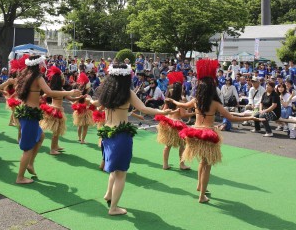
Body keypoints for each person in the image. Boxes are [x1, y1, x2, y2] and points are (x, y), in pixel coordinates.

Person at [173, 59, 262, 203]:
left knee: (202, 162)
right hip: (208, 135)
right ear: (212, 89)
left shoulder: (195, 101)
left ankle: (199, 186)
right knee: (207, 165)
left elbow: (182, 104)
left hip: (194, 133)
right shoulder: (215, 104)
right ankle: (202, 196)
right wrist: (251, 117)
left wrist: (173, 101)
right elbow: (231, 117)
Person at [94, 64, 172, 215]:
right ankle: (113, 208)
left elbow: (97, 106)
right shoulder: (127, 93)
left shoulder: (107, 91)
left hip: (107, 135)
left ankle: (108, 195)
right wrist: (162, 112)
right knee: (121, 173)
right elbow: (143, 108)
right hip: (120, 136)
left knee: (114, 170)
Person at [14, 55, 81, 184]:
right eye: (41, 63)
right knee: (28, 148)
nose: (43, 65)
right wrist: (69, 92)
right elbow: (49, 92)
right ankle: (20, 177)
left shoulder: (25, 76)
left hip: (26, 112)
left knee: (41, 136)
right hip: (29, 114)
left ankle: (30, 164)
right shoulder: (37, 77)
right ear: (38, 64)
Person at [40, 65, 79, 154]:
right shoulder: (55, 91)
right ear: (60, 80)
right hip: (55, 111)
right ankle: (52, 149)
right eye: (62, 78)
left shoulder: (59, 90)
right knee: (56, 131)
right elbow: (43, 97)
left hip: (57, 110)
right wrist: (43, 104)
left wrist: (80, 97)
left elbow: (71, 99)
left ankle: (56, 146)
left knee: (57, 131)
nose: (64, 79)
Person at [157, 81, 191, 170]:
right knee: (182, 145)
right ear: (180, 90)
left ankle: (165, 164)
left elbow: (163, 112)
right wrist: (194, 113)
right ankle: (182, 164)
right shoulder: (180, 101)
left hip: (168, 123)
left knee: (167, 145)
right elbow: (183, 114)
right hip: (177, 124)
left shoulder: (168, 100)